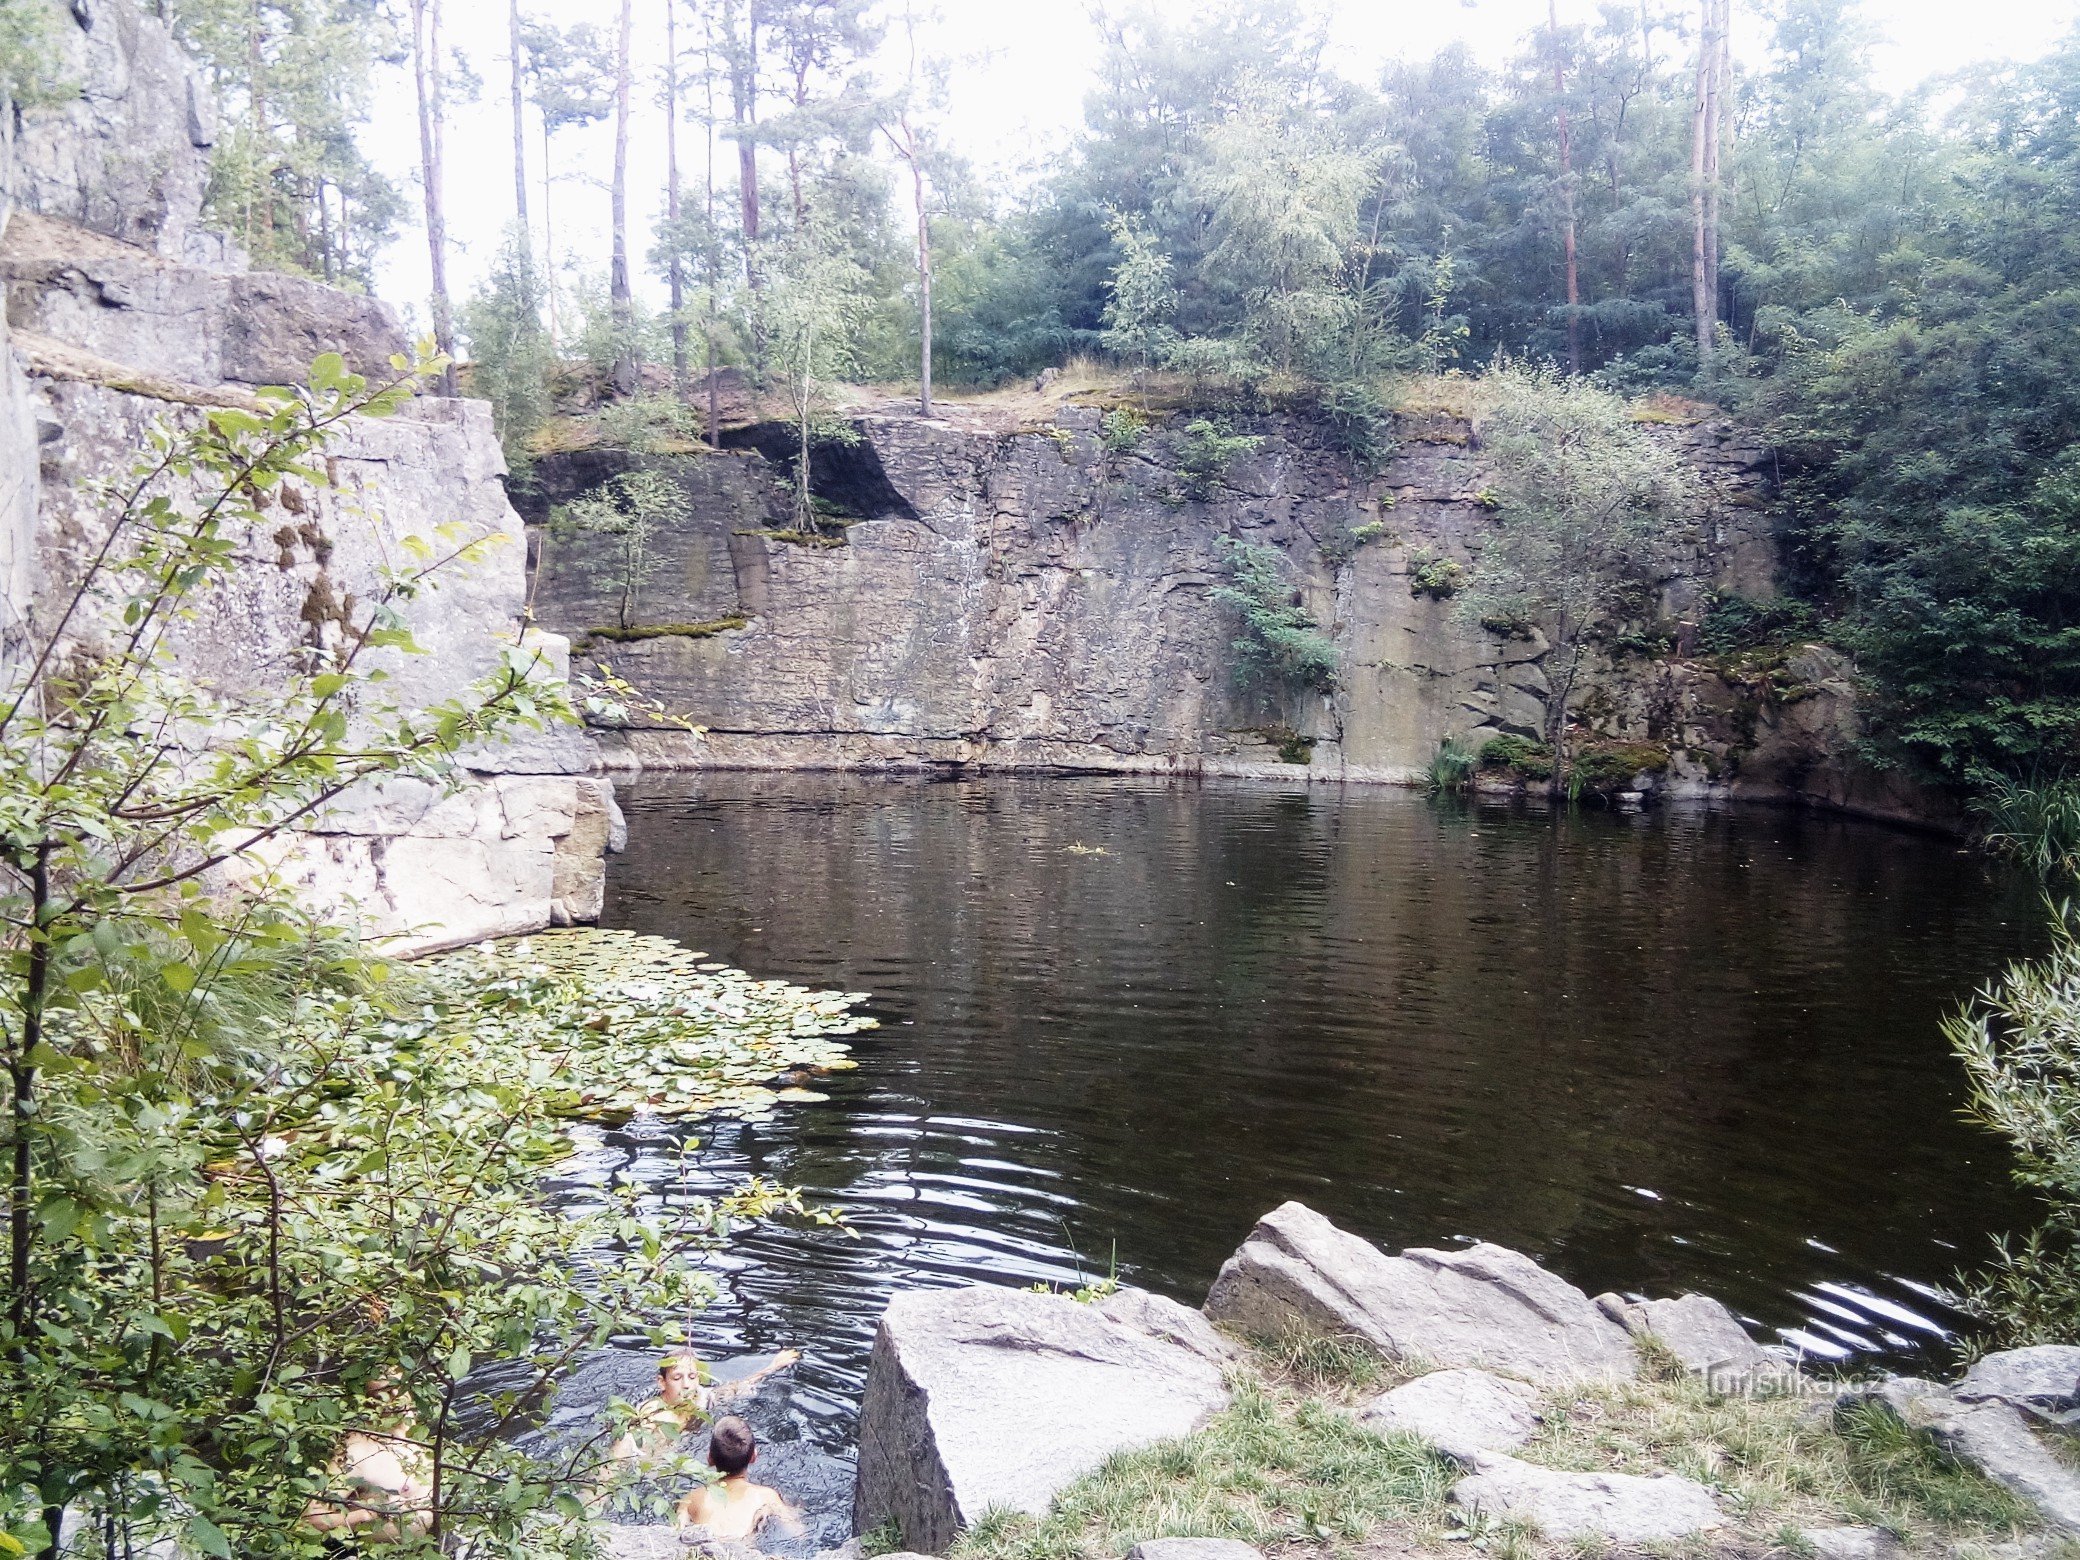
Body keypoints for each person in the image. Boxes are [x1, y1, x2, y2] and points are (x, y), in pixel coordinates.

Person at [608, 1348, 801, 1465]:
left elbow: (738, 1387)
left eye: (692, 1377)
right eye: (677, 1378)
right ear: (662, 1382)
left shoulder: (703, 1399)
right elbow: (625, 1448)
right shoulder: (652, 1415)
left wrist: (772, 1367)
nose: (686, 1385)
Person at [303, 1378, 434, 1544]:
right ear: (369, 1401)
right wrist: (362, 1516)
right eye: (384, 1393)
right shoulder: (357, 1449)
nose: (395, 1396)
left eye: (397, 1388)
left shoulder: (413, 1430)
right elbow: (311, 1518)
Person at [674, 1416, 803, 1541]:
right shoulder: (766, 1496)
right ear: (754, 1456)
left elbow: (675, 1533)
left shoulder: (692, 1498)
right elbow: (797, 1532)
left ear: (709, 1458)